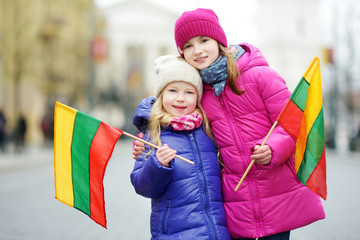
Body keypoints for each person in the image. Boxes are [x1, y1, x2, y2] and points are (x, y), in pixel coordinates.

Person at [133, 8, 325, 240]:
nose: (198, 50)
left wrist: (273, 148)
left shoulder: (261, 76)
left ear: (219, 41)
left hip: (277, 193)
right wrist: (146, 136)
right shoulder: (198, 92)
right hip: (236, 201)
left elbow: (293, 124)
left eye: (204, 40)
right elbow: (174, 114)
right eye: (188, 46)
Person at [130, 55, 231, 240]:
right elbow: (141, 185)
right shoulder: (153, 135)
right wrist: (157, 165)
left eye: (189, 92)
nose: (180, 98)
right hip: (175, 234)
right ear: (161, 95)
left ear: (198, 97)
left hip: (215, 232)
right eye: (173, 90)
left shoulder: (208, 130)